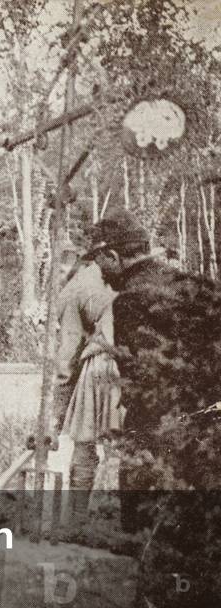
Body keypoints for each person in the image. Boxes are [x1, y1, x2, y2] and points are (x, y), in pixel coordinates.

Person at [89, 208, 221, 530]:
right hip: (209, 432)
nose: (101, 273)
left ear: (113, 255)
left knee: (144, 530)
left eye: (99, 262)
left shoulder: (129, 301)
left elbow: (141, 380)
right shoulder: (200, 285)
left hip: (157, 433)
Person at [54, 247, 120, 514]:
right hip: (132, 363)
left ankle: (77, 518)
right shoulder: (120, 274)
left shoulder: (73, 289)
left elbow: (68, 354)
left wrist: (57, 414)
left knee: (84, 445)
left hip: (101, 366)